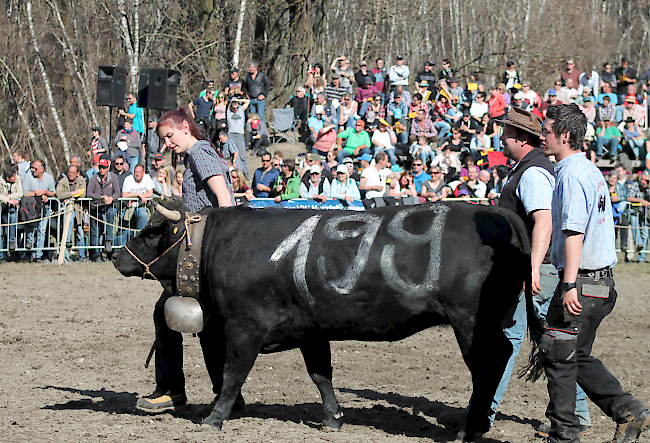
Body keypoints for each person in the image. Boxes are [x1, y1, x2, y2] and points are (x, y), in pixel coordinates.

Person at [540, 103, 649, 443]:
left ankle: (565, 435)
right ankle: (628, 410)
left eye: (546, 132)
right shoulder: (588, 171)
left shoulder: (571, 174)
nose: (542, 137)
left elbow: (574, 233)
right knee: (577, 355)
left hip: (582, 282)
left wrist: (569, 284)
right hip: (601, 283)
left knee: (558, 355)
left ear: (565, 136)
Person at [136, 107, 235, 414]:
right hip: (205, 250)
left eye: (169, 136)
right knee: (206, 324)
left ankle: (171, 391)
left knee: (166, 311)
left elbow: (226, 203)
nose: (168, 144)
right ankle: (226, 395)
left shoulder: (201, 153)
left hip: (208, 251)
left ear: (184, 127)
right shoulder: (198, 154)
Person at [86, 157, 120, 262]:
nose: (101, 170)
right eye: (100, 167)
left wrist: (111, 198)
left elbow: (117, 193)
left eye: (104, 167)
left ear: (108, 168)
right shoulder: (94, 178)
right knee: (95, 230)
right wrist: (101, 197)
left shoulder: (113, 177)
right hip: (95, 207)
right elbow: (89, 193)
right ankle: (95, 253)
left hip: (108, 207)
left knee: (110, 215)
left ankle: (108, 241)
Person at [22, 159, 55, 262]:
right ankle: (29, 252)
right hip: (31, 207)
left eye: (35, 168)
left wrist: (45, 193)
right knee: (31, 228)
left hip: (45, 208)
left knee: (42, 230)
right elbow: (24, 193)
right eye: (32, 168)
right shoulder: (28, 176)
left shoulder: (49, 178)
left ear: (42, 169)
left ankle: (38, 255)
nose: (33, 170)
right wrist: (37, 194)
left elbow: (53, 193)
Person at [56, 164, 87, 262]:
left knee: (80, 233)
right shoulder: (63, 181)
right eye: (69, 172)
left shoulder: (81, 180)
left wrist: (68, 198)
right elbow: (59, 194)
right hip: (67, 210)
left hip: (78, 210)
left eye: (73, 173)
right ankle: (65, 255)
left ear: (77, 174)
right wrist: (72, 194)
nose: (71, 175)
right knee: (66, 232)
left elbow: (82, 194)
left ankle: (82, 256)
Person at [0, 164, 23, 261]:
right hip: (2, 207)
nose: (16, 177)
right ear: (8, 178)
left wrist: (10, 197)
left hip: (11, 209)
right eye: (13, 177)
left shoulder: (18, 179)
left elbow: (20, 193)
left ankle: (12, 241)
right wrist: (7, 200)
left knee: (13, 215)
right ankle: (1, 256)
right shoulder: (0, 181)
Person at [627, 171, 650, 263]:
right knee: (636, 229)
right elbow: (629, 198)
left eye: (646, 180)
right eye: (642, 179)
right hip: (635, 212)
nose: (644, 182)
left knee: (645, 234)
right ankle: (638, 244)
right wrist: (641, 201)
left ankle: (641, 257)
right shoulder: (635, 185)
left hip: (645, 214)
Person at [227, 98, 250, 178]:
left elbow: (248, 101)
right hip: (231, 134)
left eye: (237, 107)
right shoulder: (229, 112)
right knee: (232, 154)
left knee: (242, 154)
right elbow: (227, 106)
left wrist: (237, 99)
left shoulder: (241, 110)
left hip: (240, 134)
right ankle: (233, 172)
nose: (235, 109)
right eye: (234, 108)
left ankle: (245, 172)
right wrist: (231, 102)